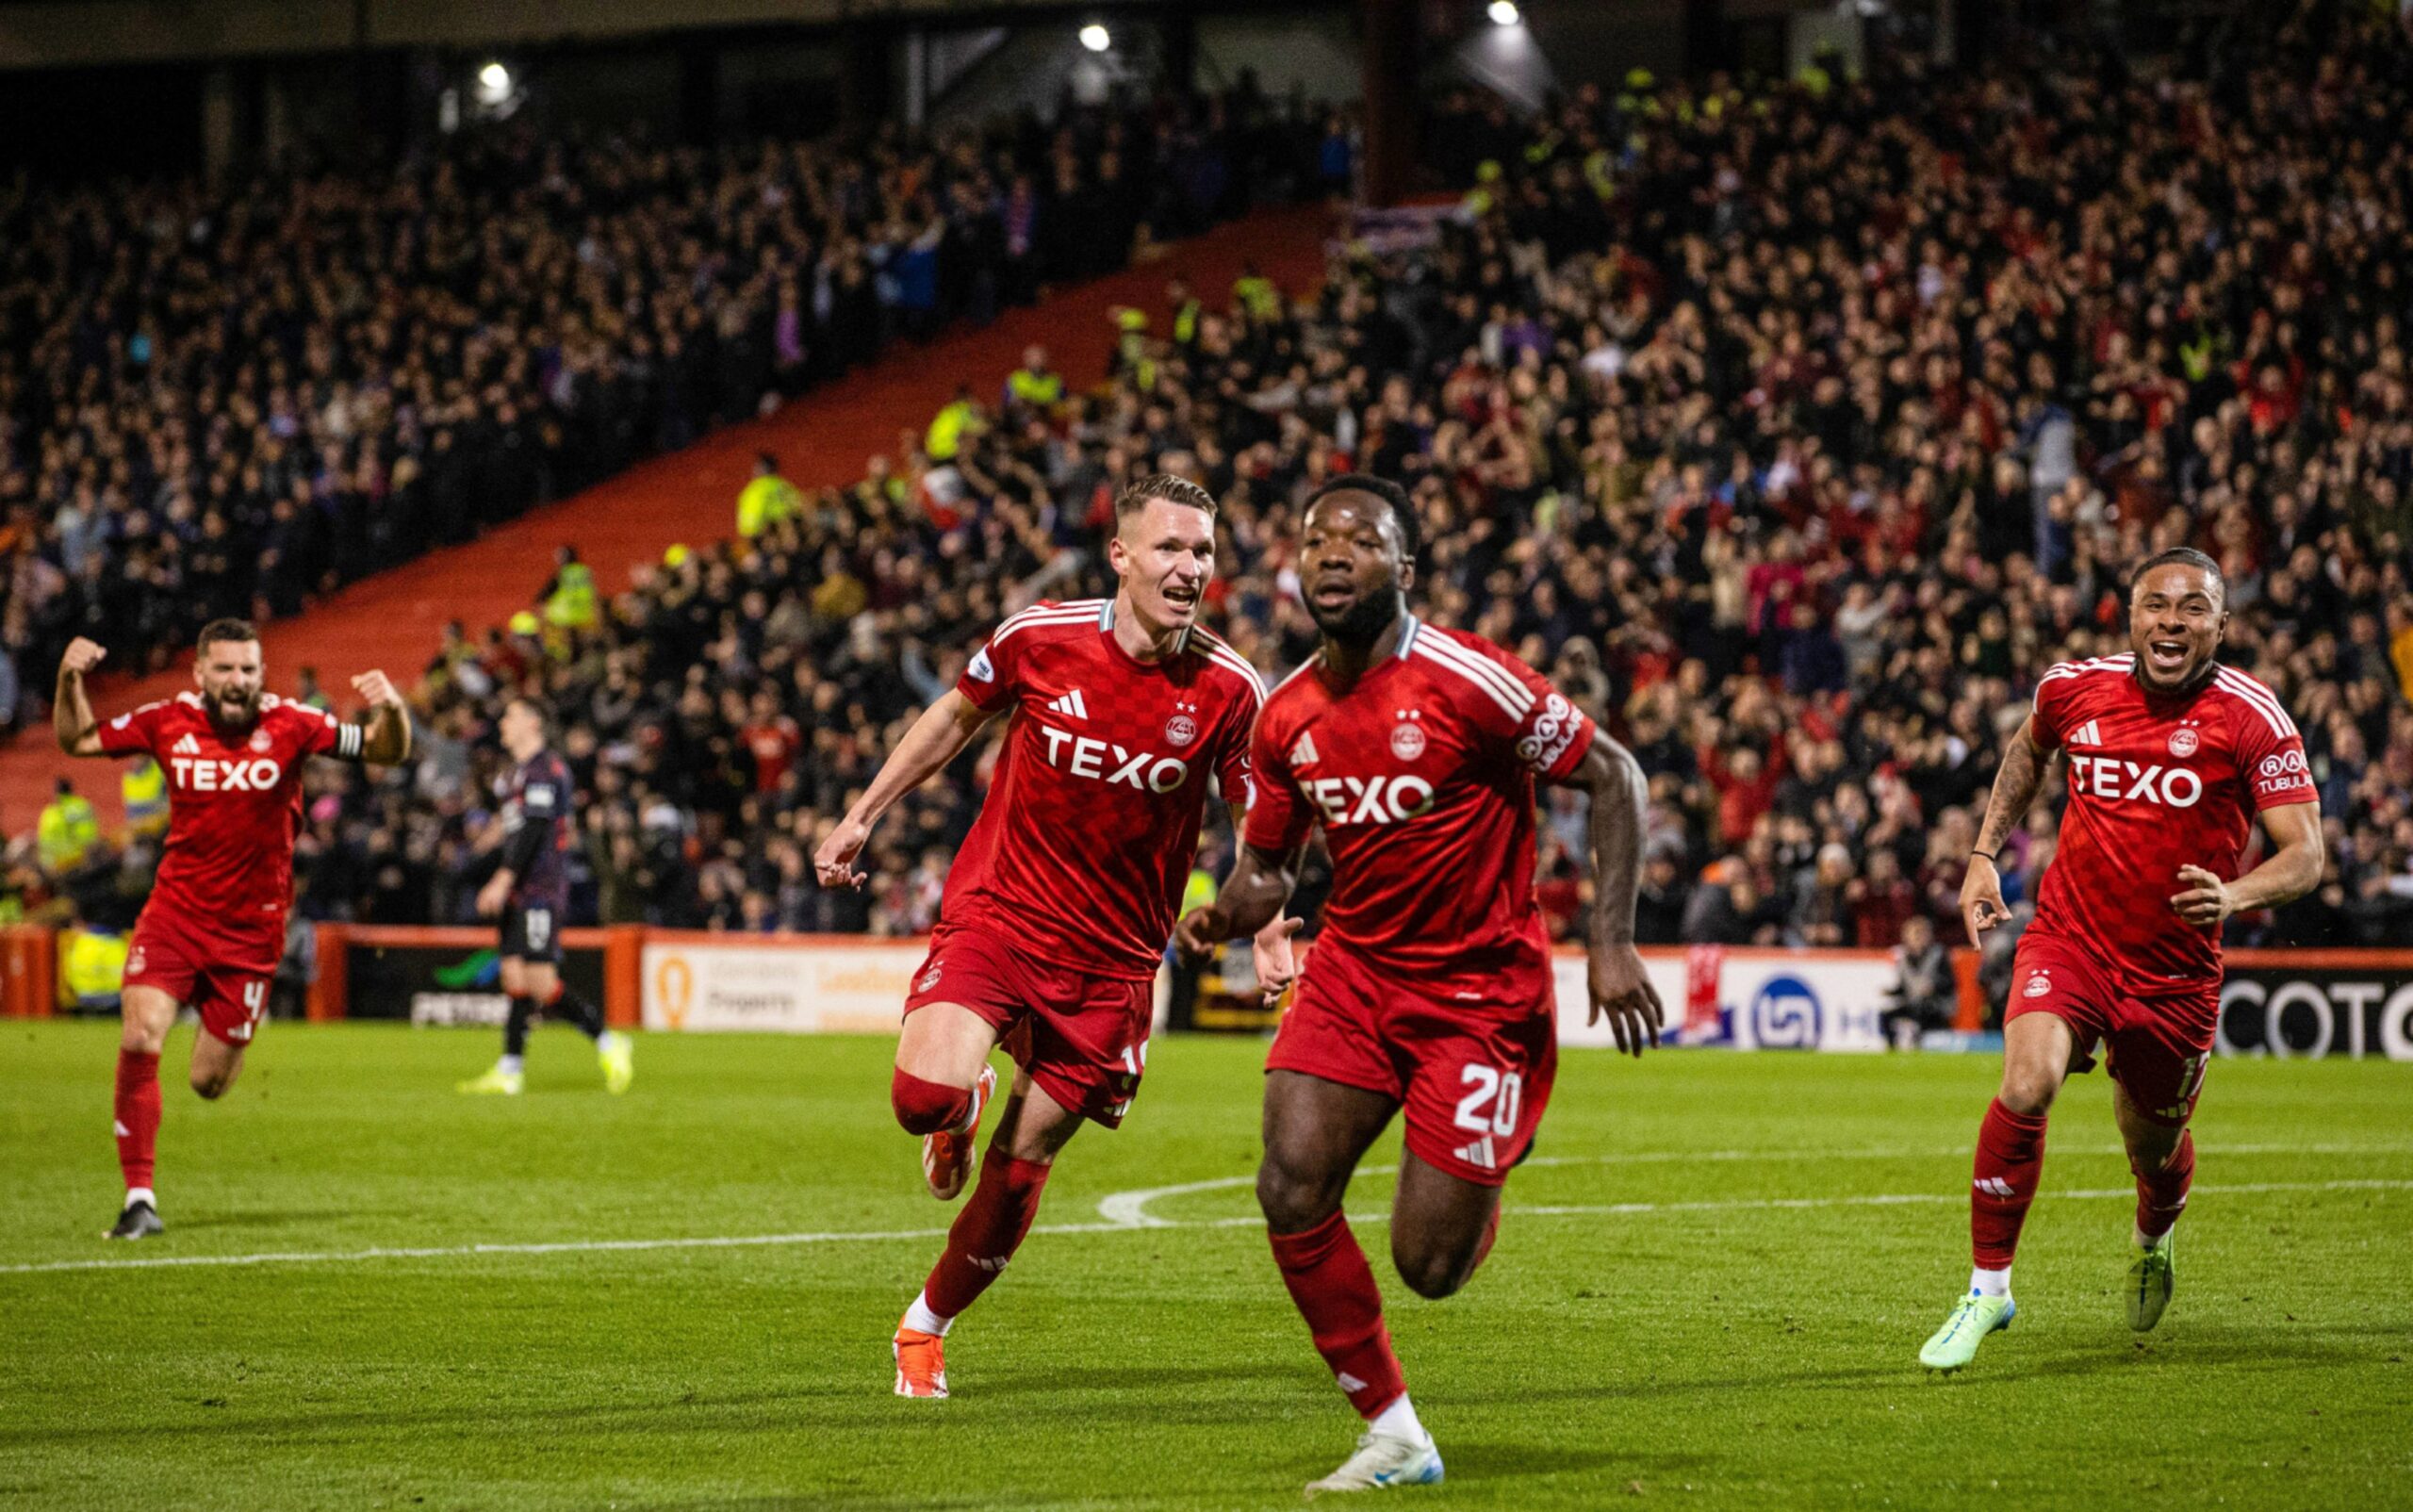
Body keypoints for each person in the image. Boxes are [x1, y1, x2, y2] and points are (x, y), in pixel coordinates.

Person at [1174, 475, 1663, 1495]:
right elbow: (1270, 861)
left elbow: (1613, 773)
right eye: (1315, 540)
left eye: (1359, 538)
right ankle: (1394, 1430)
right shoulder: (1287, 714)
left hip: (1479, 995)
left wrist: (1609, 941)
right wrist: (1231, 906)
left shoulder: (1468, 680)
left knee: (1428, 1267)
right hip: (1353, 972)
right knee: (1288, 1178)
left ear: (1405, 569)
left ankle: (1474, 1174)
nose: (1332, 553)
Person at [813, 474, 1296, 1401]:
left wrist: (1268, 925)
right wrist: (862, 811)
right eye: (1169, 548)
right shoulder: (1039, 636)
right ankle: (957, 1110)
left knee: (1023, 1162)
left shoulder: (1231, 689)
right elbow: (955, 714)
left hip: (1113, 961)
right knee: (922, 1094)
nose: (1189, 567)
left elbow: (1257, 816)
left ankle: (926, 1323)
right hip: (1002, 911)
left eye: (1202, 551)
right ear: (1121, 554)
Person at [1919, 549, 2323, 1371]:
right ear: (2130, 614)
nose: (2171, 622)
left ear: (2221, 623)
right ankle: (1987, 1291)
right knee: (2026, 1083)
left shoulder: (2253, 717)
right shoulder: (2072, 688)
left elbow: (2307, 853)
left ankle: (2153, 1233)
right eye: (2155, 605)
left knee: (2153, 1145)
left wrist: (2237, 897)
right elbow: (2028, 754)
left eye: (2193, 609)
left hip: (2173, 975)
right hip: (2070, 940)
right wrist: (1984, 854)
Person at [55, 621, 411, 1241]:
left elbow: (386, 750)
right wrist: (68, 680)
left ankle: (213, 1054)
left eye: (249, 669)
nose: (238, 681)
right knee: (141, 1033)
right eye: (225, 669)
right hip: (175, 914)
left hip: (252, 933)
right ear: (199, 673)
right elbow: (79, 738)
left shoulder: (295, 723)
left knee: (208, 1082)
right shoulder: (167, 720)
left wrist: (394, 711)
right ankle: (139, 1197)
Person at [459, 696, 632, 1096]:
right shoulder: (516, 774)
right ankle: (511, 1068)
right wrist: (490, 840)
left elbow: (537, 829)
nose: (503, 721)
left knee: (539, 979)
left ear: (533, 722)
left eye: (511, 714)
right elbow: (516, 822)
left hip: (539, 888)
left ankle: (608, 1040)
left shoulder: (545, 770)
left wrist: (502, 877)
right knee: (514, 975)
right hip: (520, 889)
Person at [735, 454, 803, 540]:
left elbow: (749, 526)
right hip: (792, 537)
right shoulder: (786, 487)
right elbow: (800, 509)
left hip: (766, 539)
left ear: (760, 469)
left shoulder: (754, 491)